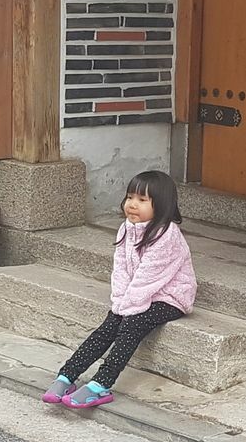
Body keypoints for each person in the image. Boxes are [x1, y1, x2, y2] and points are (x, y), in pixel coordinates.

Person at [44, 171, 197, 410]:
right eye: (130, 197)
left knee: (131, 324)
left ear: (162, 205)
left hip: (170, 295)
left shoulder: (167, 235)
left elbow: (149, 277)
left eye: (142, 200)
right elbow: (121, 269)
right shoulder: (127, 228)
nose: (132, 205)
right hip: (138, 295)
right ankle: (67, 375)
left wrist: (128, 308)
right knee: (109, 325)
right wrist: (119, 302)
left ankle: (101, 383)